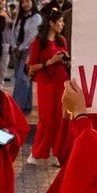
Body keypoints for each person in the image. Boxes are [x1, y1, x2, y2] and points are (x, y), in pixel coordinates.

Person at [26, 10, 70, 165]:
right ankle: (38, 152)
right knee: (46, 119)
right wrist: (50, 61)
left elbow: (67, 63)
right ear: (51, 23)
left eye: (63, 22)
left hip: (61, 80)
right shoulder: (39, 42)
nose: (62, 24)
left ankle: (56, 152)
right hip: (46, 82)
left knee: (60, 118)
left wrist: (65, 60)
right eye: (60, 21)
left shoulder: (61, 40)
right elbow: (32, 67)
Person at [11, 0, 40, 113]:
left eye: (27, 1)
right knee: (24, 78)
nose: (25, 4)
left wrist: (21, 48)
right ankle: (26, 104)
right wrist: (14, 46)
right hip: (17, 48)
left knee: (22, 77)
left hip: (28, 50)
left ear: (32, 2)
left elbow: (32, 36)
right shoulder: (20, 16)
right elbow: (13, 31)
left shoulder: (36, 17)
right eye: (23, 2)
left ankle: (17, 106)